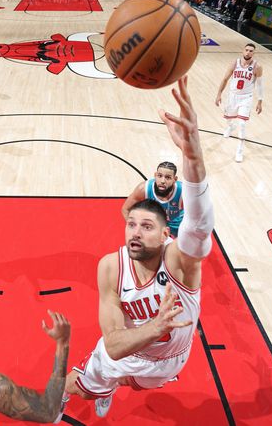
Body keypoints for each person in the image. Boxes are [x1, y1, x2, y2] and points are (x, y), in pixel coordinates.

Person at [60, 76, 214, 420]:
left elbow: (200, 225)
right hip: (127, 351)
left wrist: (193, 153)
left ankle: (111, 387)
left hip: (173, 357)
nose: (135, 232)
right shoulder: (110, 268)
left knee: (130, 382)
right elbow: (114, 345)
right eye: (132, 225)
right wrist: (155, 328)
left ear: (165, 235)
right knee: (80, 383)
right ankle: (59, 394)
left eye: (146, 227)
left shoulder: (180, 263)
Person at [215, 43, 264, 162]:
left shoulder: (257, 67)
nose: (248, 52)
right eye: (246, 50)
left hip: (246, 97)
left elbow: (260, 85)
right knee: (228, 118)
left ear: (254, 53)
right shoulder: (234, 63)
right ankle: (231, 126)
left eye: (251, 51)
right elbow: (225, 79)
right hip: (233, 96)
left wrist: (260, 101)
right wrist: (219, 94)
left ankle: (239, 151)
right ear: (243, 51)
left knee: (242, 124)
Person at [122, 162, 184, 237]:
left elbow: (198, 214)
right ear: (155, 175)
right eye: (159, 176)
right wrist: (134, 226)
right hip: (155, 222)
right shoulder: (143, 189)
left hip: (178, 223)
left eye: (168, 177)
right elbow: (125, 209)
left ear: (175, 179)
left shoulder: (184, 192)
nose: (162, 181)